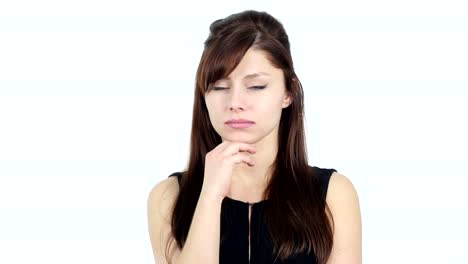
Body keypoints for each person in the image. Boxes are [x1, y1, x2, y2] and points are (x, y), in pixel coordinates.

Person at [147, 10, 361, 264]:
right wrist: (211, 194)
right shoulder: (168, 197)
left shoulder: (333, 194)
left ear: (288, 93)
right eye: (220, 87)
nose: (235, 102)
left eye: (256, 86)